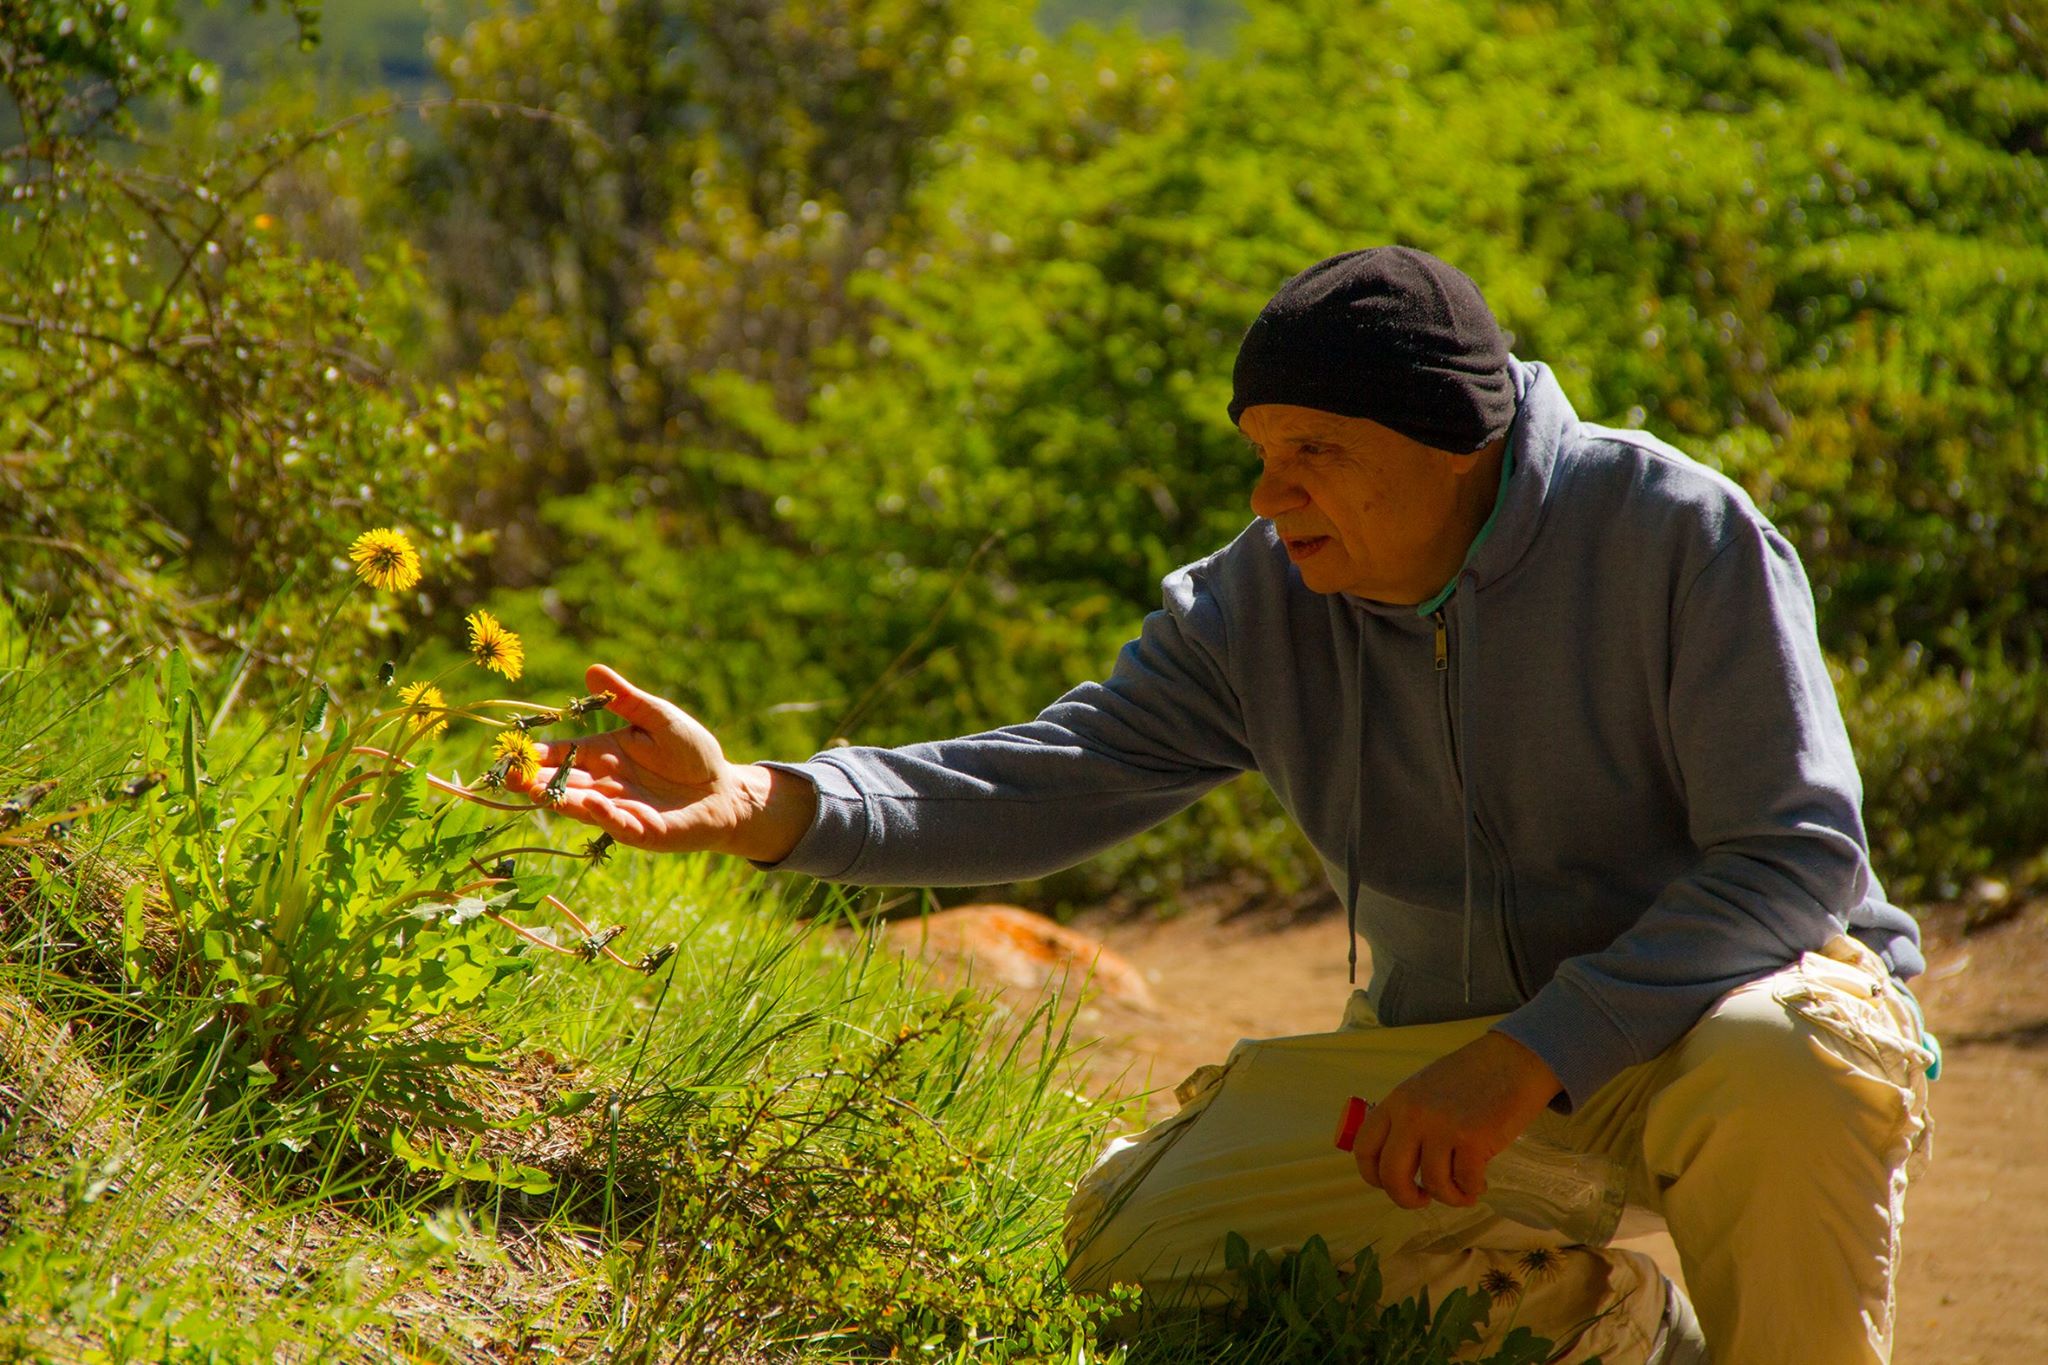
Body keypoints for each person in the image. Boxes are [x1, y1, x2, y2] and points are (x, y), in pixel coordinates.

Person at [516, 247, 1937, 1364]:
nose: (1271, 491)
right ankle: (1627, 1336)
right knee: (1139, 1239)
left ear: (1447, 440)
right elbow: (1045, 773)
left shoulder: (1675, 534)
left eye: (1313, 448)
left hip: (1727, 1016)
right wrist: (765, 797)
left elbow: (1795, 856)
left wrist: (1528, 1055)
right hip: (1453, 1067)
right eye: (1258, 448)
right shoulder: (1262, 602)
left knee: (1784, 1067)